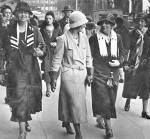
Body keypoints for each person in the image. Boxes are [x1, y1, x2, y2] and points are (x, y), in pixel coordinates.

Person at [0, 2, 46, 139]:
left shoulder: (35, 30)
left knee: (29, 98)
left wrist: (40, 52)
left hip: (31, 69)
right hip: (15, 70)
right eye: (20, 12)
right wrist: (1, 71)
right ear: (15, 14)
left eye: (26, 13)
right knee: (19, 98)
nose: (23, 15)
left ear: (29, 15)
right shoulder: (7, 31)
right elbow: (1, 52)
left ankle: (24, 120)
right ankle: (22, 131)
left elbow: (43, 47)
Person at [50, 11, 93, 139]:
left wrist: (90, 73)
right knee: (75, 103)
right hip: (68, 74)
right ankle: (78, 132)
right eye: (82, 24)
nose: (84, 27)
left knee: (72, 102)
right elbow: (57, 59)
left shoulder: (84, 38)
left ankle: (66, 121)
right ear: (76, 25)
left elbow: (88, 57)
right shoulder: (62, 39)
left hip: (82, 76)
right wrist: (53, 78)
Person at [89, 14, 125, 138]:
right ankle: (108, 129)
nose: (104, 25)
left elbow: (123, 52)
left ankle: (100, 118)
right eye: (102, 23)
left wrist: (120, 62)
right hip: (99, 72)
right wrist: (90, 73)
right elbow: (89, 56)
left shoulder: (118, 37)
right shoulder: (94, 38)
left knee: (111, 99)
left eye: (107, 23)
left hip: (113, 72)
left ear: (112, 25)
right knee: (104, 99)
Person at [122, 13, 150, 120]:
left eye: (142, 21)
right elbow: (126, 49)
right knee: (131, 83)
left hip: (145, 65)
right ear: (136, 23)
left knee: (146, 86)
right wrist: (126, 63)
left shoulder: (148, 34)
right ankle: (128, 101)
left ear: (145, 22)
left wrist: (149, 56)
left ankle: (144, 111)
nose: (140, 23)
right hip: (133, 63)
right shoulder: (131, 34)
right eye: (138, 21)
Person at [40, 11, 62, 97]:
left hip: (56, 52)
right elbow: (40, 40)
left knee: (56, 68)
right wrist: (42, 46)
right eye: (46, 18)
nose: (48, 20)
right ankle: (48, 89)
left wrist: (56, 43)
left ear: (53, 19)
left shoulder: (57, 28)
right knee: (46, 70)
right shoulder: (42, 29)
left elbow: (61, 39)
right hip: (46, 52)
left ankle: (54, 81)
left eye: (50, 18)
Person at [115, 16, 130, 83]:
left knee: (123, 62)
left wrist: (126, 49)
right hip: (116, 48)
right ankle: (121, 77)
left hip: (123, 48)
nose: (118, 23)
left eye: (119, 22)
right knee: (119, 62)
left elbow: (127, 40)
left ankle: (123, 77)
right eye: (117, 22)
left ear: (121, 22)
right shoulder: (115, 29)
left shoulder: (125, 30)